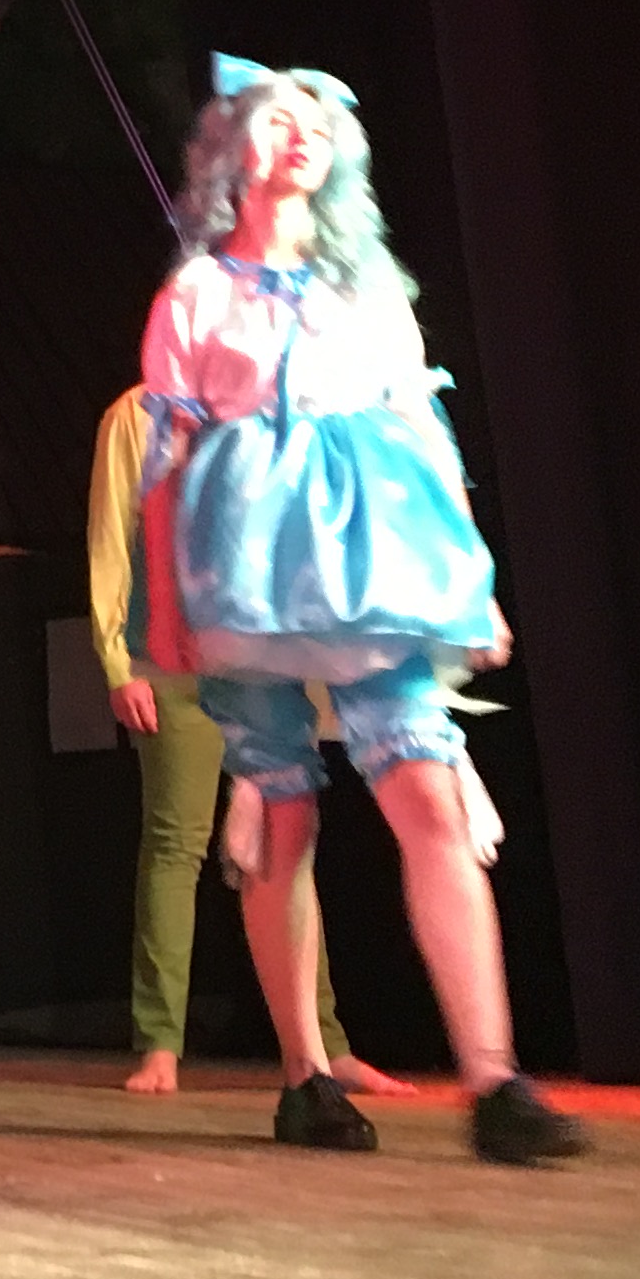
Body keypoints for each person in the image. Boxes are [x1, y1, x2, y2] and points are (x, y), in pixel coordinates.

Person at [136, 56, 586, 1165]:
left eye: (318, 122)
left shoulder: (370, 290)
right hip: (247, 569)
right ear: (232, 150)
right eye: (277, 118)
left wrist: (471, 581)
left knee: (429, 795)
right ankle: (306, 1074)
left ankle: (495, 1078)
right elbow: (165, 466)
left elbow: (426, 436)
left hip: (375, 565)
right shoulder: (196, 295)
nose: (301, 135)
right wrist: (165, 610)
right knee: (282, 810)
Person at [83, 385, 406, 1102]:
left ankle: (326, 1047)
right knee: (177, 845)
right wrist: (115, 661)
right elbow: (110, 539)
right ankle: (160, 1043)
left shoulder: (263, 405)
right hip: (171, 662)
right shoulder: (134, 415)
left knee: (288, 844)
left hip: (259, 663)